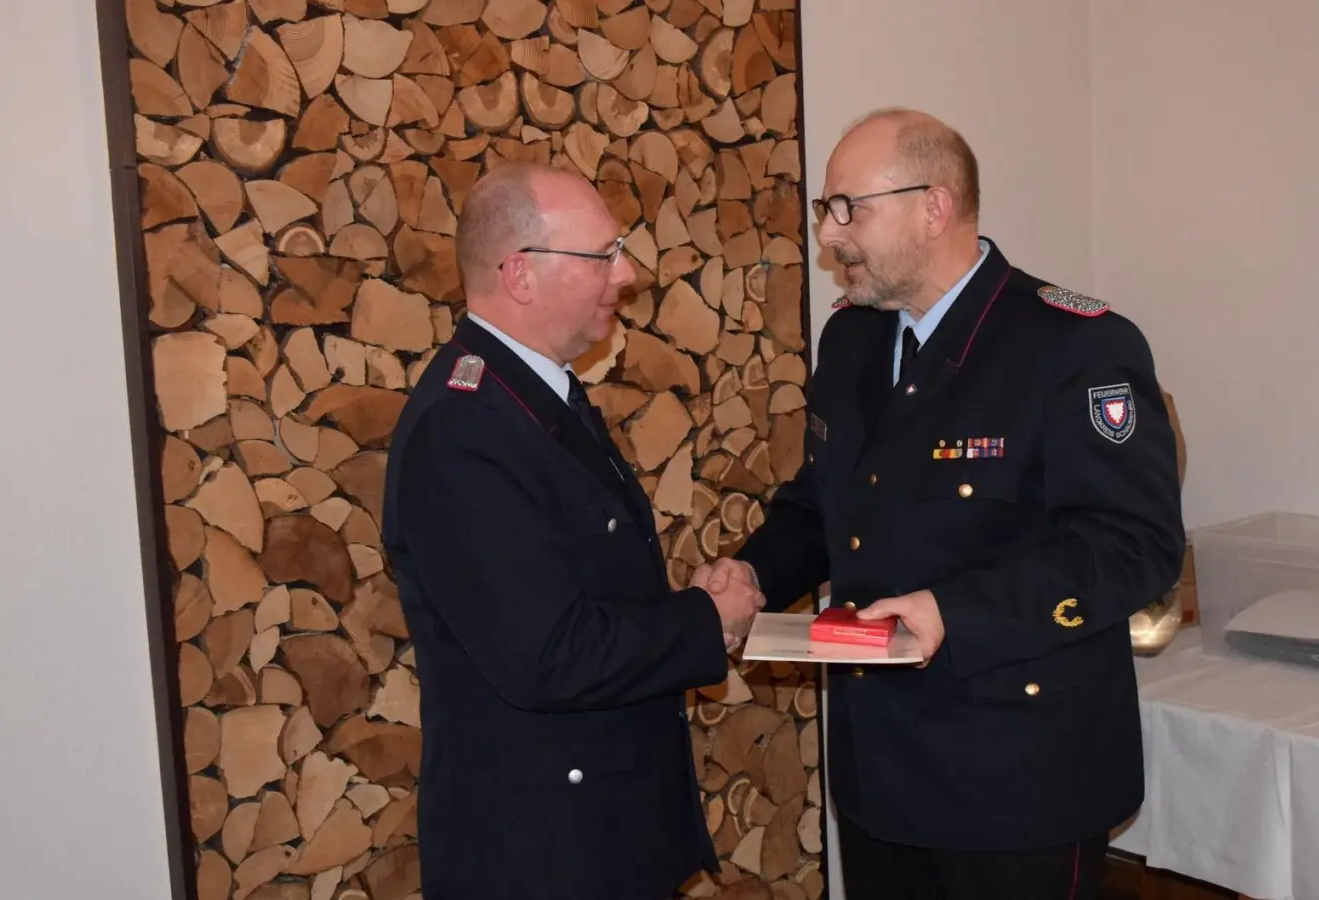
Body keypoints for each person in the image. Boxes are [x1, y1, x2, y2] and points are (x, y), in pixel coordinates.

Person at [701, 108, 1186, 899]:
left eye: (849, 208)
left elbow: (1133, 546)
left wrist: (954, 610)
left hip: (1018, 776)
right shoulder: (854, 339)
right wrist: (752, 575)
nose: (830, 235)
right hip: (880, 768)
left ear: (936, 206)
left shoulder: (1073, 345)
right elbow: (823, 503)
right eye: (828, 210)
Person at [382, 162, 765, 900]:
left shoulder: (528, 393)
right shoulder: (464, 429)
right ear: (521, 275)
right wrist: (703, 621)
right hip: (544, 855)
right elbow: (547, 654)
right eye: (604, 255)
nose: (628, 273)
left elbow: (578, 590)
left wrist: (686, 610)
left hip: (596, 834)